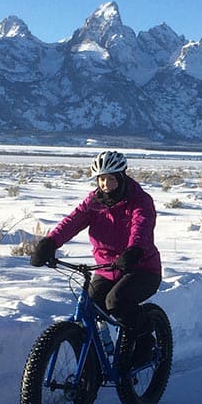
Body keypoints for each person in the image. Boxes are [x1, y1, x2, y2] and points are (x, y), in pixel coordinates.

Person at [29, 150, 162, 367]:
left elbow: (142, 227)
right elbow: (72, 222)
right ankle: (91, 367)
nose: (106, 184)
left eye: (110, 178)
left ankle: (145, 340)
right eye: (101, 179)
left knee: (116, 301)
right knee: (91, 306)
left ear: (121, 177)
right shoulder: (94, 202)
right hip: (106, 268)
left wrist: (134, 250)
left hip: (142, 268)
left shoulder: (140, 200)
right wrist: (50, 243)